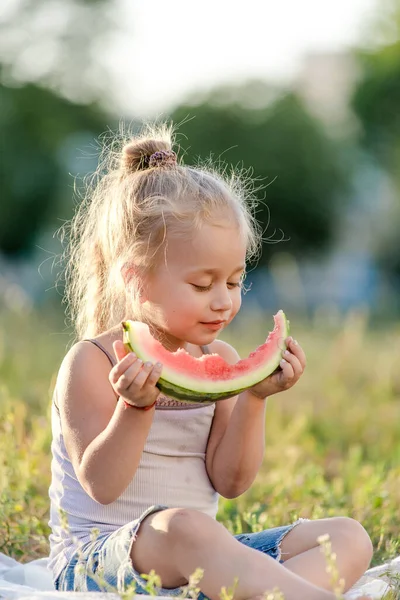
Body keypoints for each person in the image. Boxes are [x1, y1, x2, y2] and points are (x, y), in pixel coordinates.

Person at [48, 123, 373, 600]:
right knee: (185, 527)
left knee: (347, 537)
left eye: (235, 281)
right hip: (97, 561)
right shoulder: (91, 361)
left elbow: (231, 481)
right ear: (136, 280)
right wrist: (134, 408)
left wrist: (255, 398)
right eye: (202, 285)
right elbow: (102, 485)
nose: (223, 301)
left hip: (195, 562)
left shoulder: (219, 358)